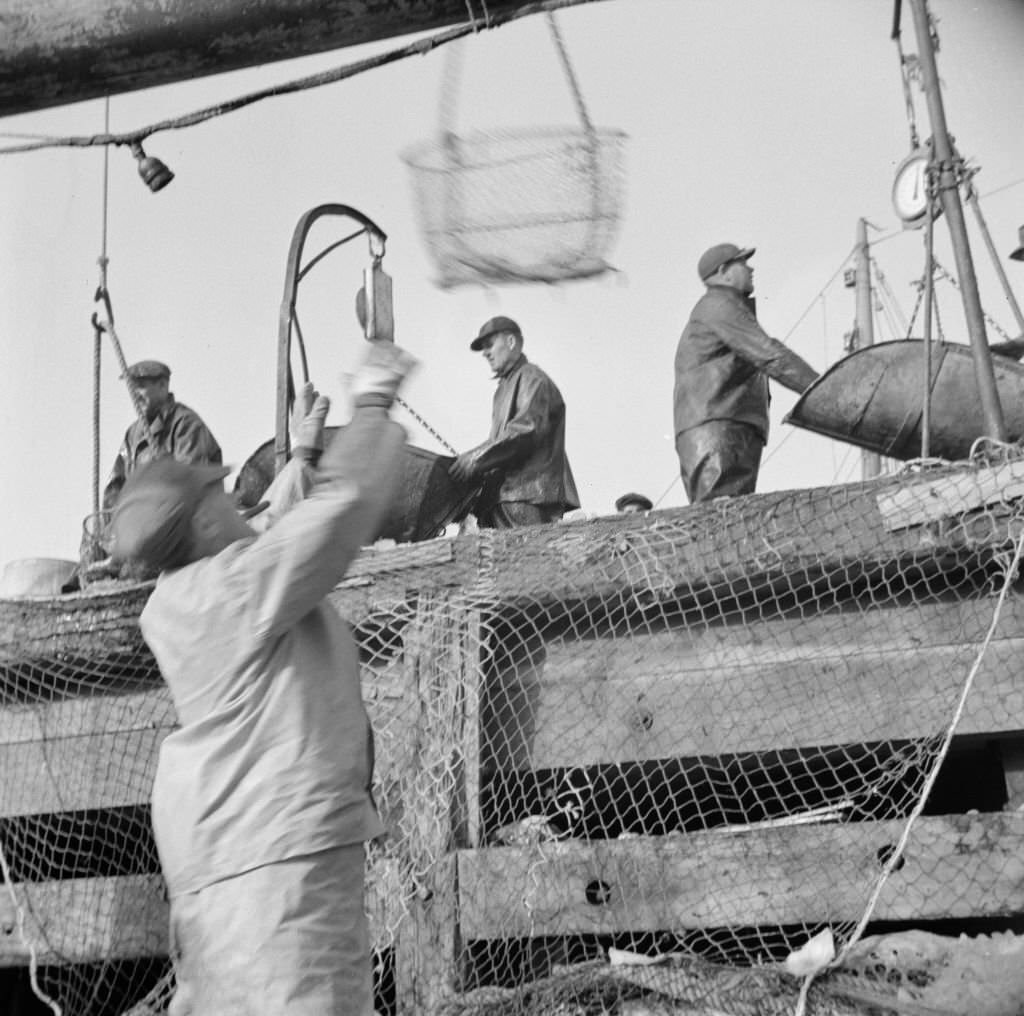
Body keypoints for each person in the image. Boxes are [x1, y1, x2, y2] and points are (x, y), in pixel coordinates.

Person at [108, 343, 416, 1016]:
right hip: (280, 869)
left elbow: (275, 531)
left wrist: (303, 454)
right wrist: (372, 400)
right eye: (219, 493)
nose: (233, 498)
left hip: (220, 868)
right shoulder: (237, 588)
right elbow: (337, 514)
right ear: (201, 521)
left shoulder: (189, 594)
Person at [673, 244, 819, 504]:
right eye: (742, 262)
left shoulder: (722, 307)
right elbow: (770, 354)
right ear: (724, 272)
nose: (750, 268)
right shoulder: (718, 305)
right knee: (721, 517)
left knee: (726, 513)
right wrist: (824, 390)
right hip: (718, 427)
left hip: (722, 424)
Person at [450, 316, 580, 528]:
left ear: (510, 342)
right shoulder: (504, 387)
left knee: (529, 557)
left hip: (526, 495)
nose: (485, 353)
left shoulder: (532, 378)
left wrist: (475, 459)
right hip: (503, 497)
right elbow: (502, 439)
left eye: (490, 345)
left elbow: (524, 432)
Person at [102, 359, 222, 511]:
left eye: (140, 386)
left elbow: (190, 480)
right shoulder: (133, 434)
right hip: (143, 522)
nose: (134, 395)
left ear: (162, 386)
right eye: (131, 388)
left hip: (184, 523)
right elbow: (115, 484)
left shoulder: (185, 424)